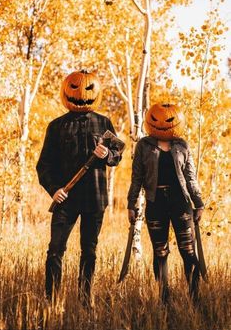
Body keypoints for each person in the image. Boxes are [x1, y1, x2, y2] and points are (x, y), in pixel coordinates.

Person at [36, 70, 122, 306]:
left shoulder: (103, 123)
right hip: (66, 199)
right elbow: (43, 166)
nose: (82, 94)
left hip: (95, 198)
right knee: (55, 250)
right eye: (75, 87)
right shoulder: (56, 126)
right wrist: (54, 189)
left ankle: (85, 300)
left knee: (89, 251)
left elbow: (118, 155)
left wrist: (107, 155)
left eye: (88, 89)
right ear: (66, 90)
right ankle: (51, 301)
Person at [127, 103, 204, 304]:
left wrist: (199, 202)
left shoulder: (182, 145)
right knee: (160, 251)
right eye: (156, 118)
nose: (162, 123)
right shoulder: (144, 145)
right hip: (156, 202)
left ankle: (195, 299)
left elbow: (190, 177)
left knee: (188, 250)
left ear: (176, 122)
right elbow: (136, 177)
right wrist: (131, 203)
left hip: (181, 202)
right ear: (149, 119)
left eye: (169, 120)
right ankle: (165, 299)